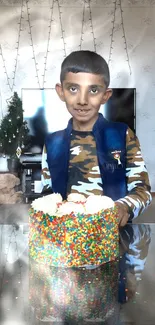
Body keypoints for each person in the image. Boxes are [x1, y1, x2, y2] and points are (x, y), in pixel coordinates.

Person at [41, 50, 152, 227]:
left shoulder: (122, 135)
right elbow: (47, 195)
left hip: (114, 240)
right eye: (73, 88)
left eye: (93, 90)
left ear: (106, 95)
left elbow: (143, 191)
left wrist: (123, 208)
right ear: (61, 92)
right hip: (66, 241)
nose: (82, 100)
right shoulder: (52, 143)